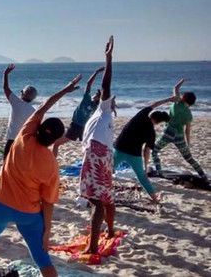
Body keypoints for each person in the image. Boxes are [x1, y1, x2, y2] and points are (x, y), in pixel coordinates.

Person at [0, 74, 82, 277]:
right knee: (41, 257)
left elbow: (44, 107)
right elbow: (48, 202)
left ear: (39, 128)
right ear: (55, 140)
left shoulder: (24, 135)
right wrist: (47, 232)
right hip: (28, 213)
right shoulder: (51, 164)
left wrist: (66, 89)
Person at [79, 36, 116, 255]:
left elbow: (105, 84)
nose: (97, 95)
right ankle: (110, 231)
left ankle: (92, 247)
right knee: (106, 197)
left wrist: (108, 59)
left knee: (96, 201)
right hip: (105, 154)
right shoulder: (102, 115)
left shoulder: (104, 110)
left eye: (100, 95)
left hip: (96, 154)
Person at [113, 95, 175, 204]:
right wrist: (145, 169)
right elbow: (146, 151)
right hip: (134, 155)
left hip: (119, 149)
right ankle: (155, 200)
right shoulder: (152, 133)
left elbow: (154, 104)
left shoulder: (141, 115)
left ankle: (95, 191)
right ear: (158, 122)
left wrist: (168, 99)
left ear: (151, 115)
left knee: (105, 171)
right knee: (142, 179)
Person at [151, 79, 207, 180]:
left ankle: (159, 172)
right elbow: (187, 130)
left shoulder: (177, 102)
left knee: (154, 151)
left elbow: (175, 87)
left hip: (167, 133)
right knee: (189, 159)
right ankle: (203, 176)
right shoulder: (189, 114)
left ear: (183, 98)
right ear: (192, 103)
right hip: (179, 136)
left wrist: (182, 81)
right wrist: (188, 144)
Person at [52, 67, 105, 157]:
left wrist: (96, 72)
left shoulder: (87, 99)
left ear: (96, 98)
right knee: (87, 148)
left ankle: (52, 162)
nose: (94, 94)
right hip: (86, 128)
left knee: (56, 144)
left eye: (95, 94)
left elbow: (88, 83)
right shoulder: (97, 107)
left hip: (77, 127)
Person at [2, 64, 37, 158]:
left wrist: (5, 74)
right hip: (23, 140)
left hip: (12, 138)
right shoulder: (33, 110)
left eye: (22, 92)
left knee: (6, 161)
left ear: (24, 95)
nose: (20, 93)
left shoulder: (16, 102)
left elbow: (5, 88)